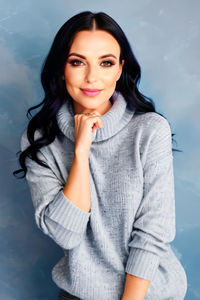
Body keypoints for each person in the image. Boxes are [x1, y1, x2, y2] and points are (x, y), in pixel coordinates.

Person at [13, 11, 187, 300]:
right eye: (77, 62)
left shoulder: (149, 130)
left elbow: (153, 231)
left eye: (105, 63)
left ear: (119, 70)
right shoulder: (40, 140)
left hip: (150, 293)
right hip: (79, 294)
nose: (92, 77)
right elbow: (66, 235)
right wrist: (81, 151)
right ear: (61, 69)